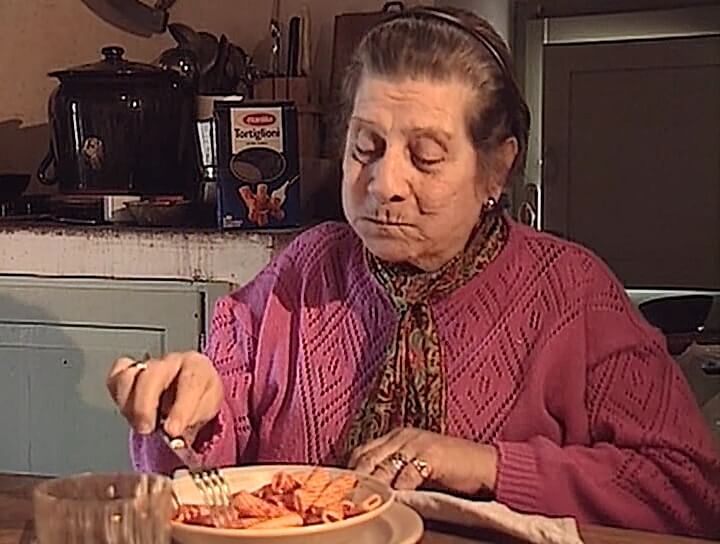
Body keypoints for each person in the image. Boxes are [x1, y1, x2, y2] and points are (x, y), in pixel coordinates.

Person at [106, 6, 720, 538]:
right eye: (365, 148)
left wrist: (485, 465)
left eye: (425, 157)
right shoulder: (300, 275)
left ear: (496, 169)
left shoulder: (571, 292)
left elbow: (689, 492)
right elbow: (194, 477)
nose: (385, 185)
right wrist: (179, 417)